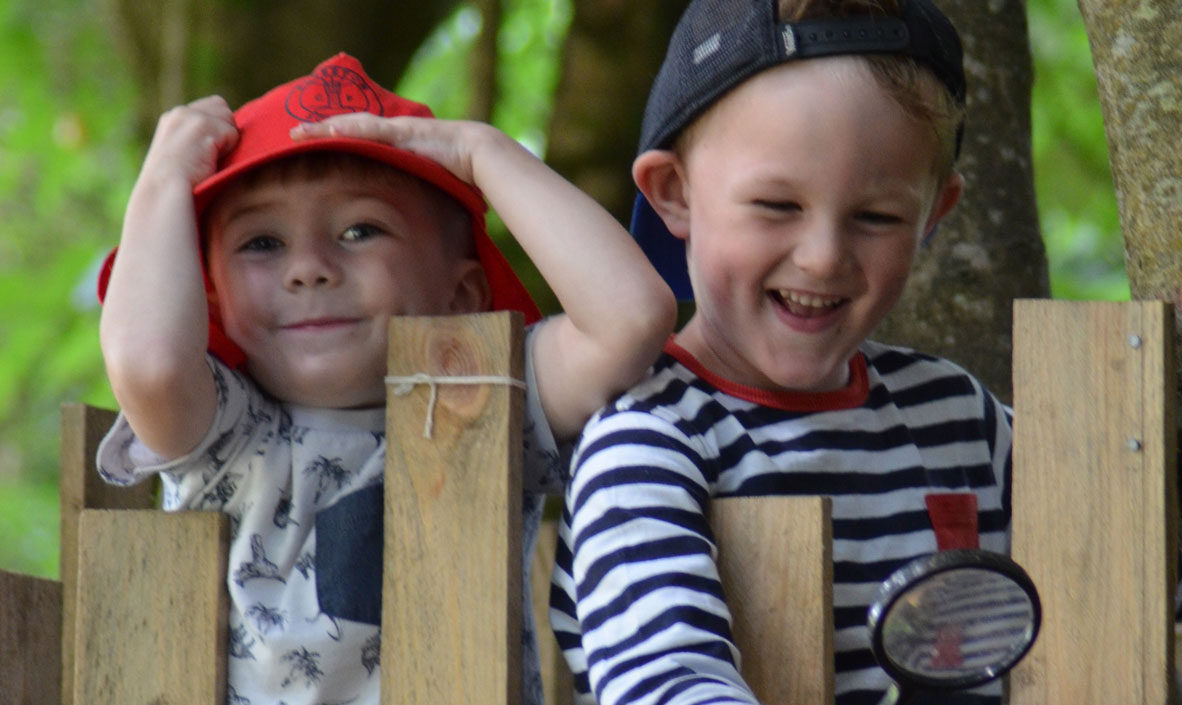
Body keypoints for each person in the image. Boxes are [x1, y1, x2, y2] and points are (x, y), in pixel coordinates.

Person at [96, 53, 674, 705]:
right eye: (262, 243)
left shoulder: (488, 405)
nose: (308, 267)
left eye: (359, 229)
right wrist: (162, 182)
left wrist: (480, 151)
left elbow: (631, 317)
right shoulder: (225, 433)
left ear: (462, 296)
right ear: (212, 300)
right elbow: (149, 366)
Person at [547, 2, 1012, 704]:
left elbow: (1119, 577)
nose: (823, 258)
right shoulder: (646, 445)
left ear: (932, 216)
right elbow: (670, 684)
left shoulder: (961, 419)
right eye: (776, 205)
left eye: (876, 216)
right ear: (675, 194)